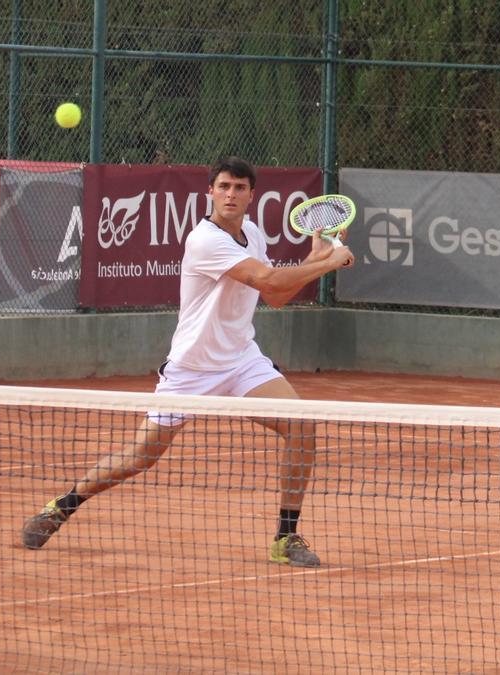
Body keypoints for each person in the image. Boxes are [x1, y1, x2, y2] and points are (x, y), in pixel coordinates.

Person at [20, 156, 355, 568]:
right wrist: (326, 262)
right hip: (191, 369)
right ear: (210, 192)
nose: (231, 194)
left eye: (239, 188)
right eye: (224, 187)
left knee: (301, 426)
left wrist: (314, 262)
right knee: (141, 457)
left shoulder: (251, 233)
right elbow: (268, 280)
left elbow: (276, 295)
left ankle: (285, 537)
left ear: (252, 195)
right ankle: (62, 505)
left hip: (241, 360)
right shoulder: (204, 240)